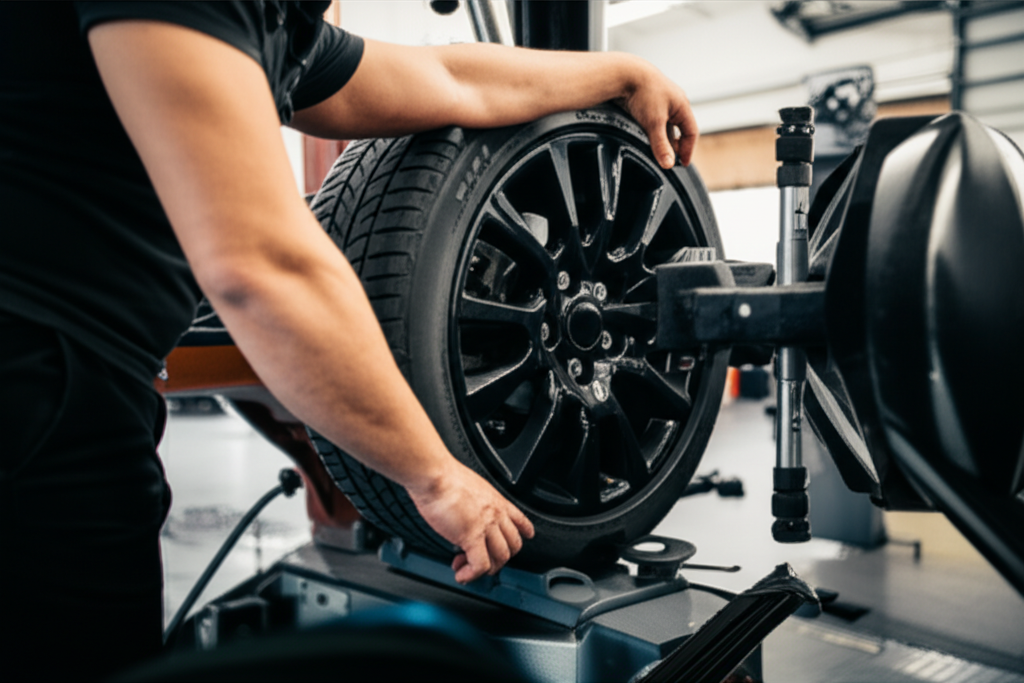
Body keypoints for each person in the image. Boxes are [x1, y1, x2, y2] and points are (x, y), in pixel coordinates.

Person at [0, 1, 698, 679]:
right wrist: (436, 472)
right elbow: (262, 263)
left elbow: (453, 81)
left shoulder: (272, 22)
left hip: (85, 381)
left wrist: (619, 74)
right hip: (34, 385)